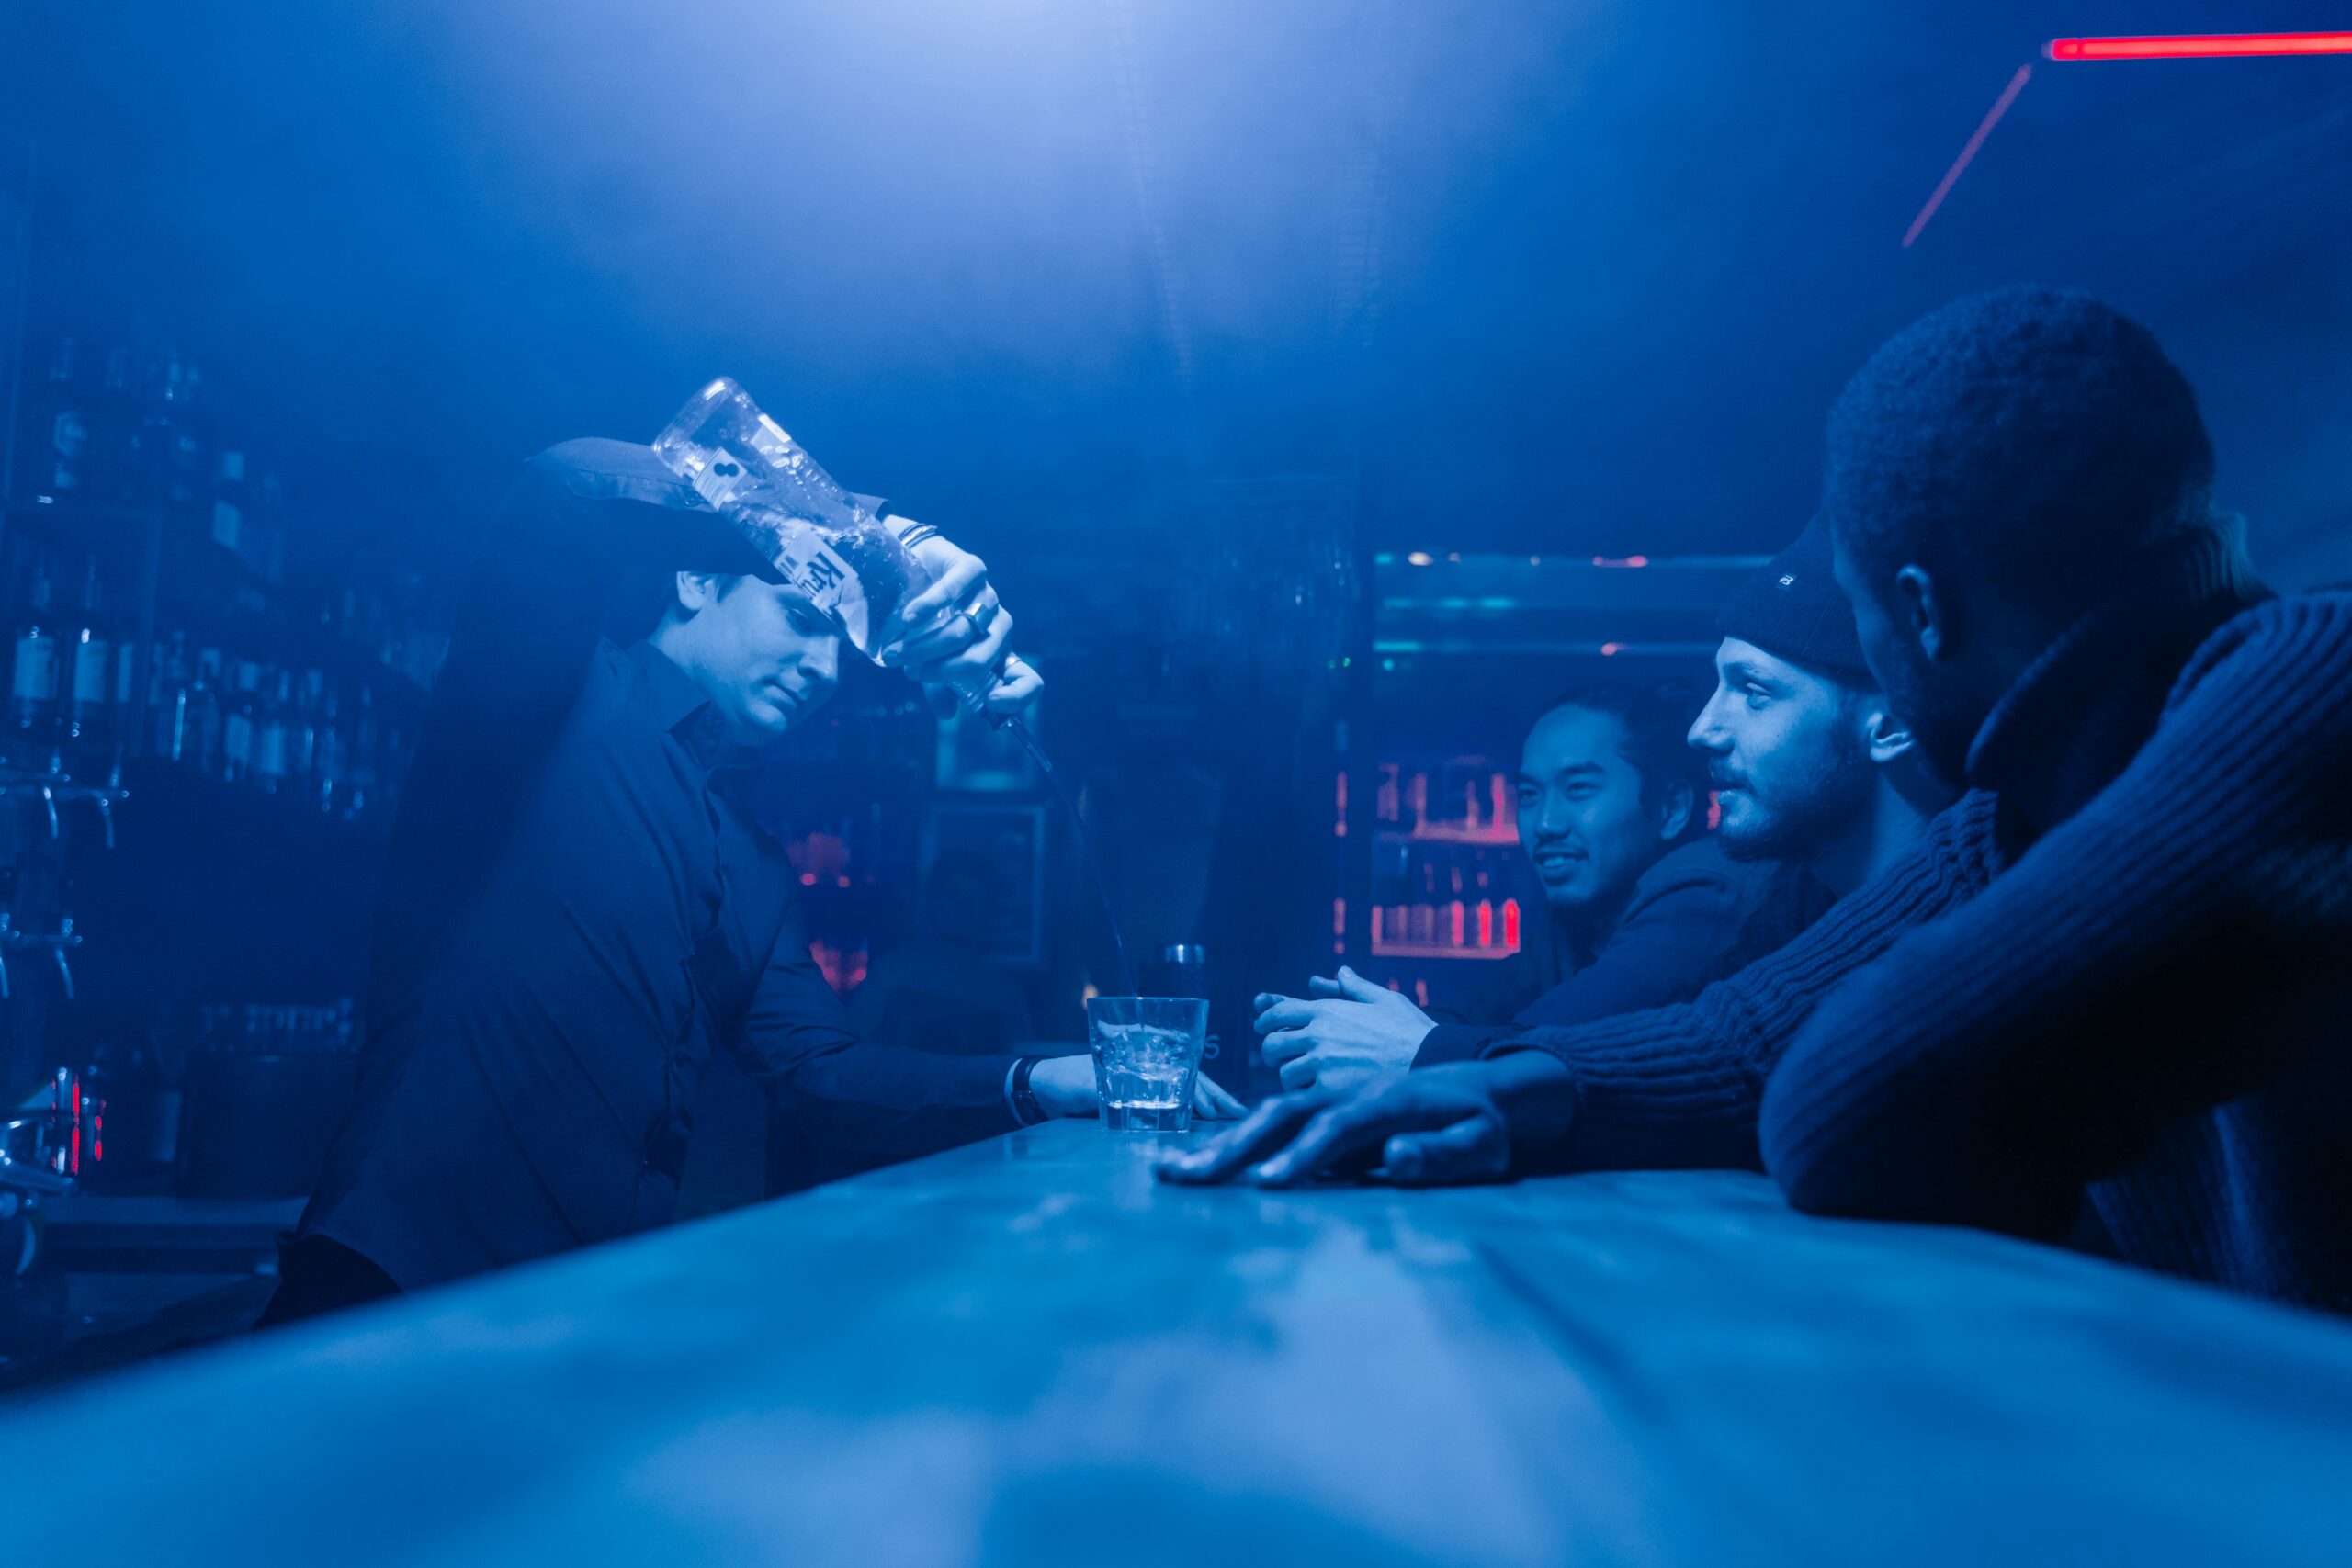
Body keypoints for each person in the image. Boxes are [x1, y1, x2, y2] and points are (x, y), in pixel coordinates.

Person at [1168, 288, 2352, 1313]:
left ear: (1920, 617)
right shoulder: (2029, 809)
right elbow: (1742, 1041)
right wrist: (1502, 1088)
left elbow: (1845, 1107)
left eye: (1859, 615)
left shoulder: (2316, 691)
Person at [263, 438, 1230, 1325]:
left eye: (837, 647)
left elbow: (819, 1073)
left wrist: (1042, 1079)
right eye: (802, 616)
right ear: (694, 577)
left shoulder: (750, 855)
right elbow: (567, 486)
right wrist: (881, 540)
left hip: (571, 1309)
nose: (820, 668)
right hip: (392, 1282)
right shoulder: (541, 700)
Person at [1252, 523, 1942, 1093]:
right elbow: (1718, 1052)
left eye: (1753, 692)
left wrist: (1427, 1055)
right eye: (1529, 793)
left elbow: (1710, 1063)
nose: (1703, 729)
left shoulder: (1727, 884)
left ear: (1890, 724)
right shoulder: (1795, 894)